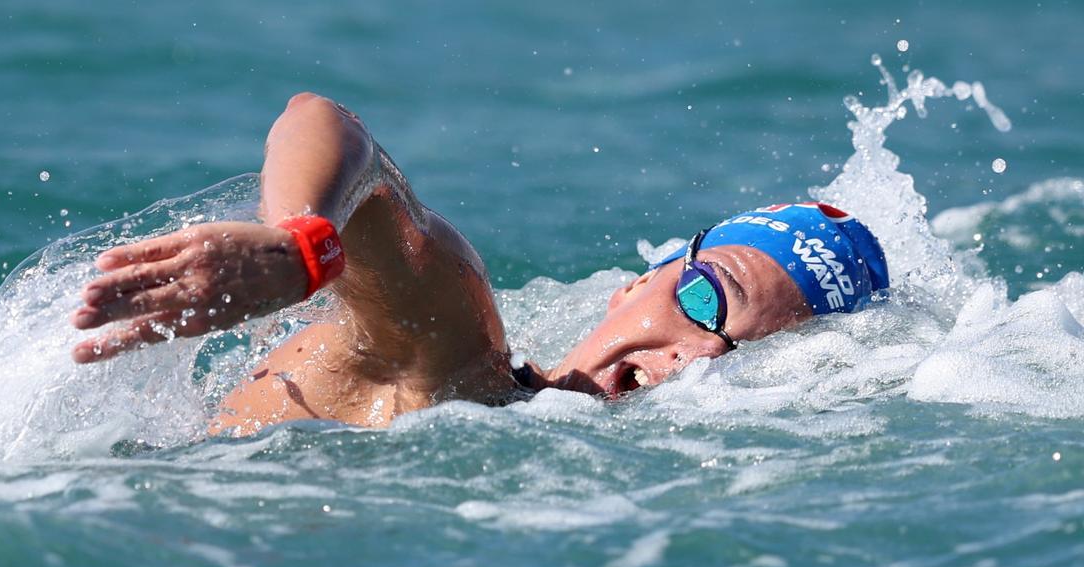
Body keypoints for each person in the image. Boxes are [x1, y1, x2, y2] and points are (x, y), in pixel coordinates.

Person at [69, 93, 889, 434]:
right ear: (637, 284)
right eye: (713, 303)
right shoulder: (454, 347)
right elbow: (334, 131)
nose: (707, 352)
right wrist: (305, 249)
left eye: (759, 355)